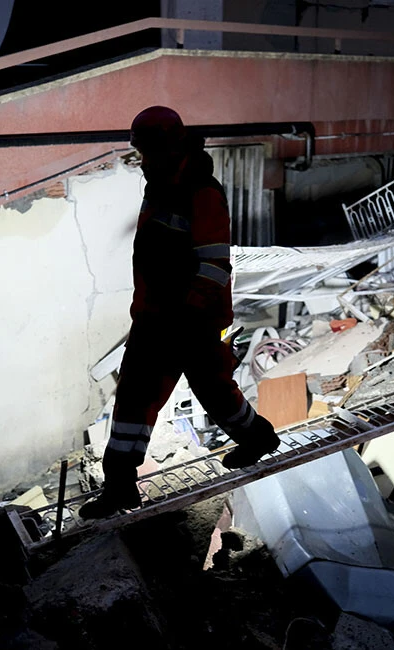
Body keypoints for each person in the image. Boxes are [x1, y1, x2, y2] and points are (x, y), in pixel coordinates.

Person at [80, 106, 280, 519]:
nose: (144, 160)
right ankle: (119, 487)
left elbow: (214, 266)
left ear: (173, 145)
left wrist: (187, 316)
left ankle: (258, 438)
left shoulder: (201, 191)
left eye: (151, 150)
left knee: (215, 391)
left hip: (198, 321)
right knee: (133, 400)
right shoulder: (160, 183)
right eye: (141, 152)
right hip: (155, 318)